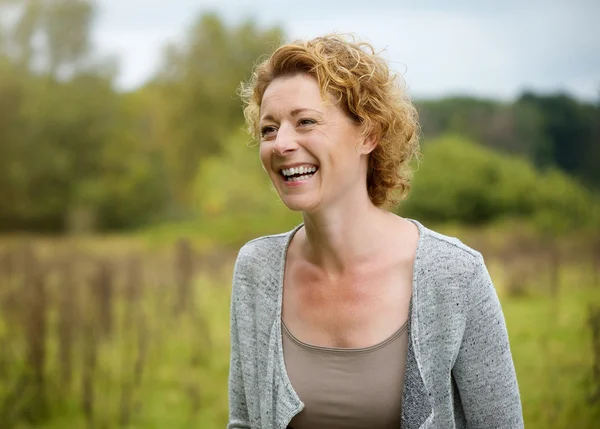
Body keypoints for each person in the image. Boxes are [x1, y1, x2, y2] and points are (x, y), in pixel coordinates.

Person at [228, 34, 523, 429]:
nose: (281, 144)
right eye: (268, 129)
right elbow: (244, 422)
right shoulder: (257, 269)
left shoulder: (455, 274)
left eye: (306, 122)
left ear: (368, 134)